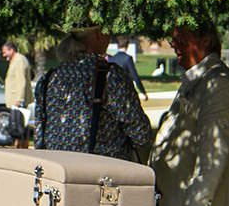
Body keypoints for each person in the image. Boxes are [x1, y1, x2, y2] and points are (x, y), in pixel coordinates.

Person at [150, 23, 229, 206]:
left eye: (182, 37)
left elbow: (214, 149)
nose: (173, 44)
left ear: (206, 41)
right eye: (173, 38)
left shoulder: (217, 82)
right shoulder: (196, 79)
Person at [32, 25, 154, 162]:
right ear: (100, 34)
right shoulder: (111, 77)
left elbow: (39, 137)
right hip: (102, 176)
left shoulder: (48, 79)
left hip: (57, 174)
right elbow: (142, 136)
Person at [0, 41, 33, 144]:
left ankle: (21, 146)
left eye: (5, 52)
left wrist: (19, 99)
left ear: (11, 50)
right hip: (15, 101)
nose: (3, 55)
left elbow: (21, 81)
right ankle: (19, 144)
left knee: (19, 126)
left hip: (18, 101)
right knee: (17, 125)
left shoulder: (19, 61)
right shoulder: (15, 61)